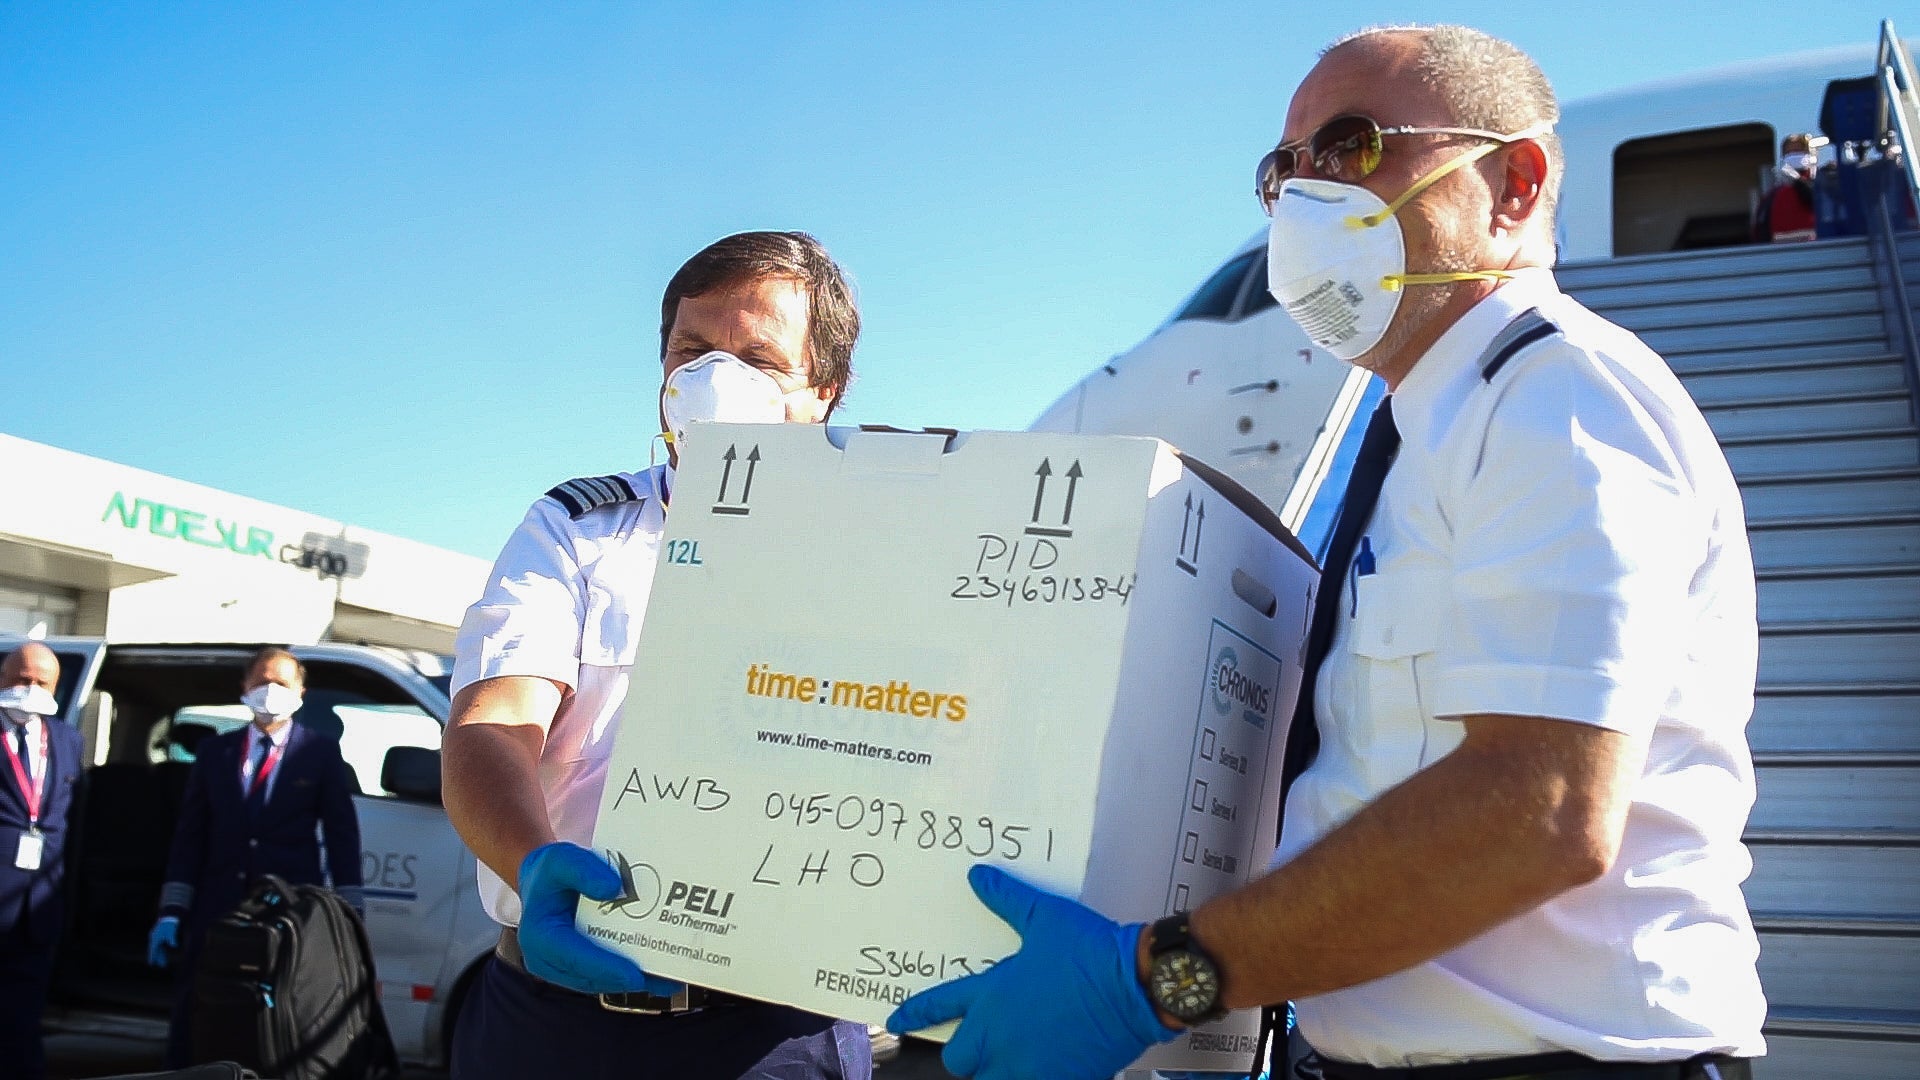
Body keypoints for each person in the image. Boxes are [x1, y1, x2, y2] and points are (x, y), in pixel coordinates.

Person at [888, 24, 1763, 1080]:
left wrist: (1154, 982)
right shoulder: (1427, 438)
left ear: (1515, 184)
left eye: (1351, 147)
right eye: (1282, 171)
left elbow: (1544, 808)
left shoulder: (1557, 400)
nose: (1305, 196)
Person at [442, 229, 872, 1080]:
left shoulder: (887, 553)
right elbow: (492, 723)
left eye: (758, 359)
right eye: (692, 351)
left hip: (776, 1036)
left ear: (824, 389)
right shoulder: (576, 531)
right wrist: (532, 867)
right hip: (554, 1021)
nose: (715, 381)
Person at [148, 645, 364, 1067]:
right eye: (262, 681)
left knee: (274, 1016)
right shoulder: (215, 752)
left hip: (286, 909)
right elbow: (190, 837)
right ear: (245, 686)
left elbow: (342, 835)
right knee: (199, 1011)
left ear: (300, 692)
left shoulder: (319, 753)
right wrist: (172, 911)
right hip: (217, 906)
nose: (270, 690)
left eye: (281, 682)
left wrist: (350, 912)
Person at [0, 643, 84, 1080]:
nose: (30, 689)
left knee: (22, 1024)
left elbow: (69, 822)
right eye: (22, 679)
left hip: (37, 909)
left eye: (41, 683)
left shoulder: (67, 740)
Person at [1757, 132, 1821, 242]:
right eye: (1789, 153)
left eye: (1797, 151)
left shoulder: (1821, 184)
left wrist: (1797, 180)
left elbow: (1813, 199)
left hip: (1814, 245)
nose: (1793, 156)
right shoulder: (1774, 193)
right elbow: (1761, 225)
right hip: (1784, 247)